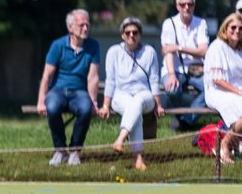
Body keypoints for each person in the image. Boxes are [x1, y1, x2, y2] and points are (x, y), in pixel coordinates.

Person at [35, 9, 101, 166]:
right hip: (58, 90)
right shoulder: (58, 45)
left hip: (79, 92)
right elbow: (46, 76)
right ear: (70, 27)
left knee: (85, 109)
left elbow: (93, 77)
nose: (85, 28)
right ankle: (60, 150)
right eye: (81, 25)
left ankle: (75, 151)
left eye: (87, 25)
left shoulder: (93, 46)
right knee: (52, 107)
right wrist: (40, 101)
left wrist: (93, 101)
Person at [97, 17, 164, 171]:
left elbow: (154, 80)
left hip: (144, 94)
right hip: (121, 95)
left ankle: (120, 139)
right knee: (135, 111)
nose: (131, 36)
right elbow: (110, 81)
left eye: (135, 32)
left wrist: (158, 104)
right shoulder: (114, 52)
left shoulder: (149, 52)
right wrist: (105, 105)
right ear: (122, 35)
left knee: (138, 102)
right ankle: (138, 159)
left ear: (140, 34)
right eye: (128, 33)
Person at [202, 11, 242, 163]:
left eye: (241, 28)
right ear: (225, 28)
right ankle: (224, 144)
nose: (237, 31)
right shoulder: (217, 47)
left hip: (239, 90)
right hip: (219, 92)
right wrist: (241, 92)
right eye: (233, 27)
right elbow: (217, 80)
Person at [160, 0, 209, 128]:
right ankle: (182, 118)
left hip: (197, 68)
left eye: (190, 4)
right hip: (175, 68)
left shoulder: (201, 23)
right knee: (172, 90)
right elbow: (168, 52)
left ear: (194, 5)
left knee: (211, 89)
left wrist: (179, 48)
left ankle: (186, 121)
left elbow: (203, 51)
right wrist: (171, 74)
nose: (186, 7)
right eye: (182, 4)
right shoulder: (169, 23)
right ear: (177, 6)